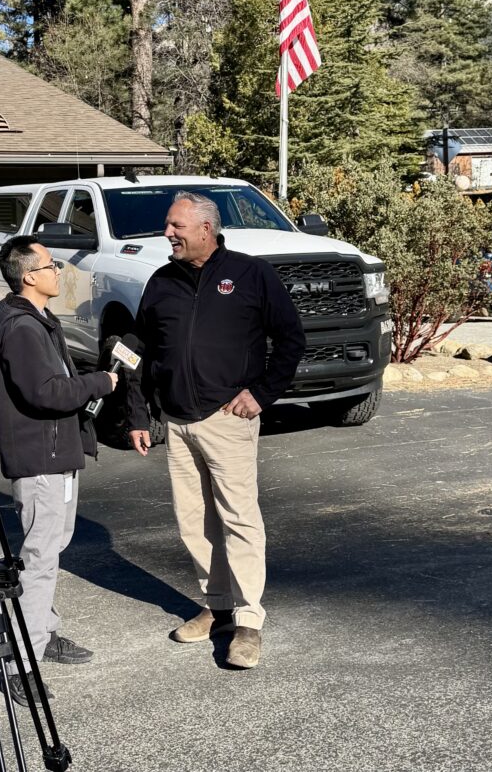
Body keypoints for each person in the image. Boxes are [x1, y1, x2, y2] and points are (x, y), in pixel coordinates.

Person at [127, 191, 304, 669]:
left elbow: (291, 339)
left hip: (228, 419)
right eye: (169, 226)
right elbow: (139, 350)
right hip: (177, 420)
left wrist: (261, 393)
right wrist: (138, 414)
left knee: (239, 519)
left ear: (206, 229)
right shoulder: (161, 281)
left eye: (176, 227)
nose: (168, 234)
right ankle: (217, 604)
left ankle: (248, 621)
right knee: (194, 521)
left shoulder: (251, 274)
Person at [0, 235, 117, 705]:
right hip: (40, 458)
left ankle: (44, 631)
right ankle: (22, 662)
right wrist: (100, 381)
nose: (59, 271)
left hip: (58, 453)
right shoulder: (21, 328)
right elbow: (46, 392)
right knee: (39, 558)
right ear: (29, 276)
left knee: (51, 548)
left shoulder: (38, 320)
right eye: (51, 264)